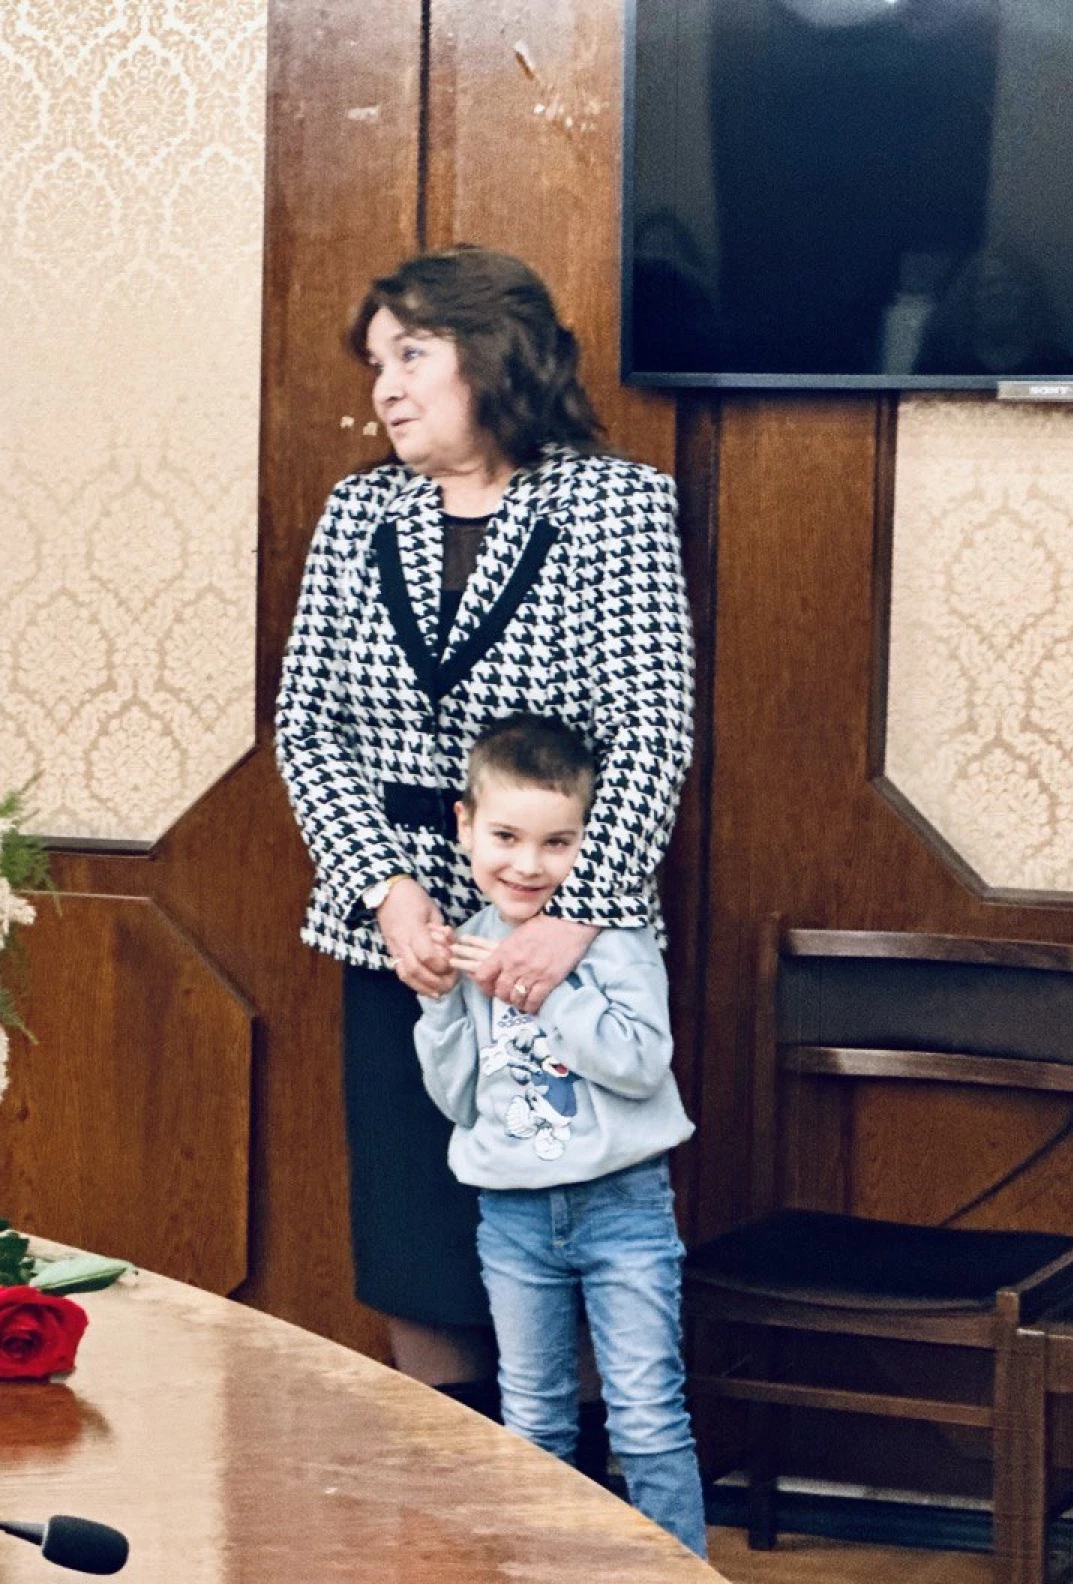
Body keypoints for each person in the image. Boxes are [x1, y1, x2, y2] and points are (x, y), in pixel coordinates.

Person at [274, 245, 695, 1409]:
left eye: (412, 355)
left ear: (493, 353)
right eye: (376, 364)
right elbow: (307, 729)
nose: (386, 388)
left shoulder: (614, 503)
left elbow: (650, 730)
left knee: (570, 1236)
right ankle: (445, 1491)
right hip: (400, 943)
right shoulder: (358, 511)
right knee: (415, 1240)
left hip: (566, 949)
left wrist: (572, 920)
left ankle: (577, 1496)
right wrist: (386, 891)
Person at [412, 712, 704, 1555]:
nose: (528, 864)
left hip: (623, 1207)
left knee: (646, 1415)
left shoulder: (616, 938)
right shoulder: (468, 941)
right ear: (465, 826)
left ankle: (676, 1571)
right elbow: (459, 1099)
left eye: (557, 843)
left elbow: (640, 1063)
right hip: (511, 1215)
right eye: (506, 837)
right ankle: (543, 1568)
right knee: (533, 1419)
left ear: (587, 841)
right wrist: (441, 1006)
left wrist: (542, 989)